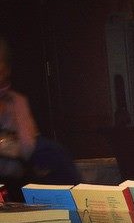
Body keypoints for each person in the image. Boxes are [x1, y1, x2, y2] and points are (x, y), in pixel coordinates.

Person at [0, 35, 80, 198]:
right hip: (9, 172)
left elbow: (27, 146)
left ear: (7, 70)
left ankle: (75, 201)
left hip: (17, 176)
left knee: (54, 154)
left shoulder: (16, 101)